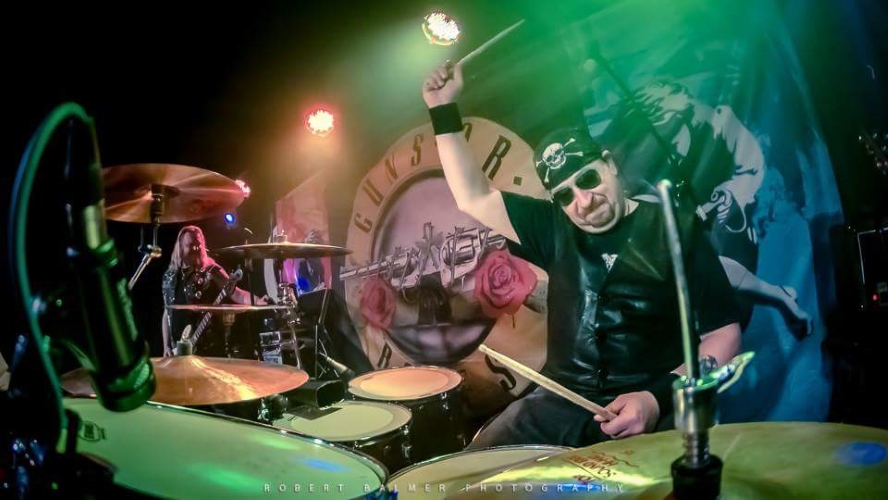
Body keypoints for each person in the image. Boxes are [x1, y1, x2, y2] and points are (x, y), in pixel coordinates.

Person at [421, 61, 742, 448]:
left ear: (610, 165)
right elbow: (473, 196)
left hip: (651, 401)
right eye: (565, 195)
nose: (584, 202)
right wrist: (442, 108)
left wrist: (656, 398)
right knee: (475, 466)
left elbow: (723, 334)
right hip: (560, 400)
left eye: (588, 179)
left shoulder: (678, 229)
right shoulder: (551, 226)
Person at [161, 225, 267, 358]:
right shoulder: (170, 276)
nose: (196, 248)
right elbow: (167, 313)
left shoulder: (212, 269)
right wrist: (166, 346)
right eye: (191, 245)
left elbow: (236, 293)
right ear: (180, 247)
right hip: (178, 351)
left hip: (208, 348)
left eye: (199, 244)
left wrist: (257, 300)